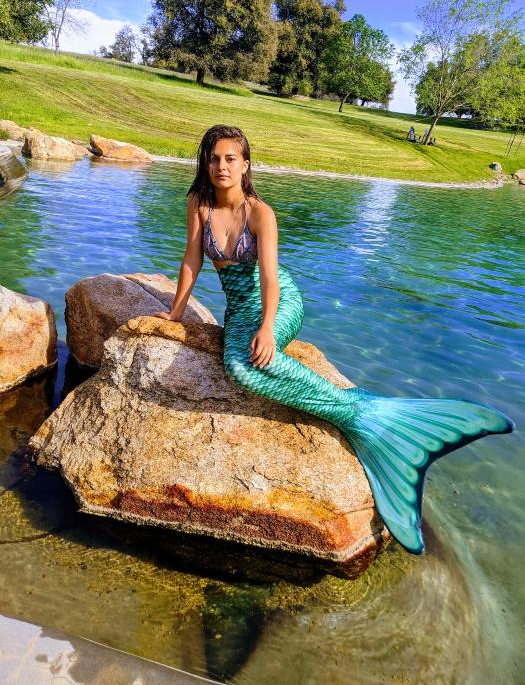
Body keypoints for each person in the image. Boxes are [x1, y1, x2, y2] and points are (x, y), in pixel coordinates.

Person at [153, 124, 515, 555]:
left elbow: (270, 276)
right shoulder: (199, 203)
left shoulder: (260, 213)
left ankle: (363, 413)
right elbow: (192, 258)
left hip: (279, 300)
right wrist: (175, 313)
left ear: (246, 164)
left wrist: (268, 327)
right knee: (240, 365)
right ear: (205, 162)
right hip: (239, 307)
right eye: (214, 158)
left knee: (243, 364)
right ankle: (364, 416)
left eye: (231, 158)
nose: (221, 166)